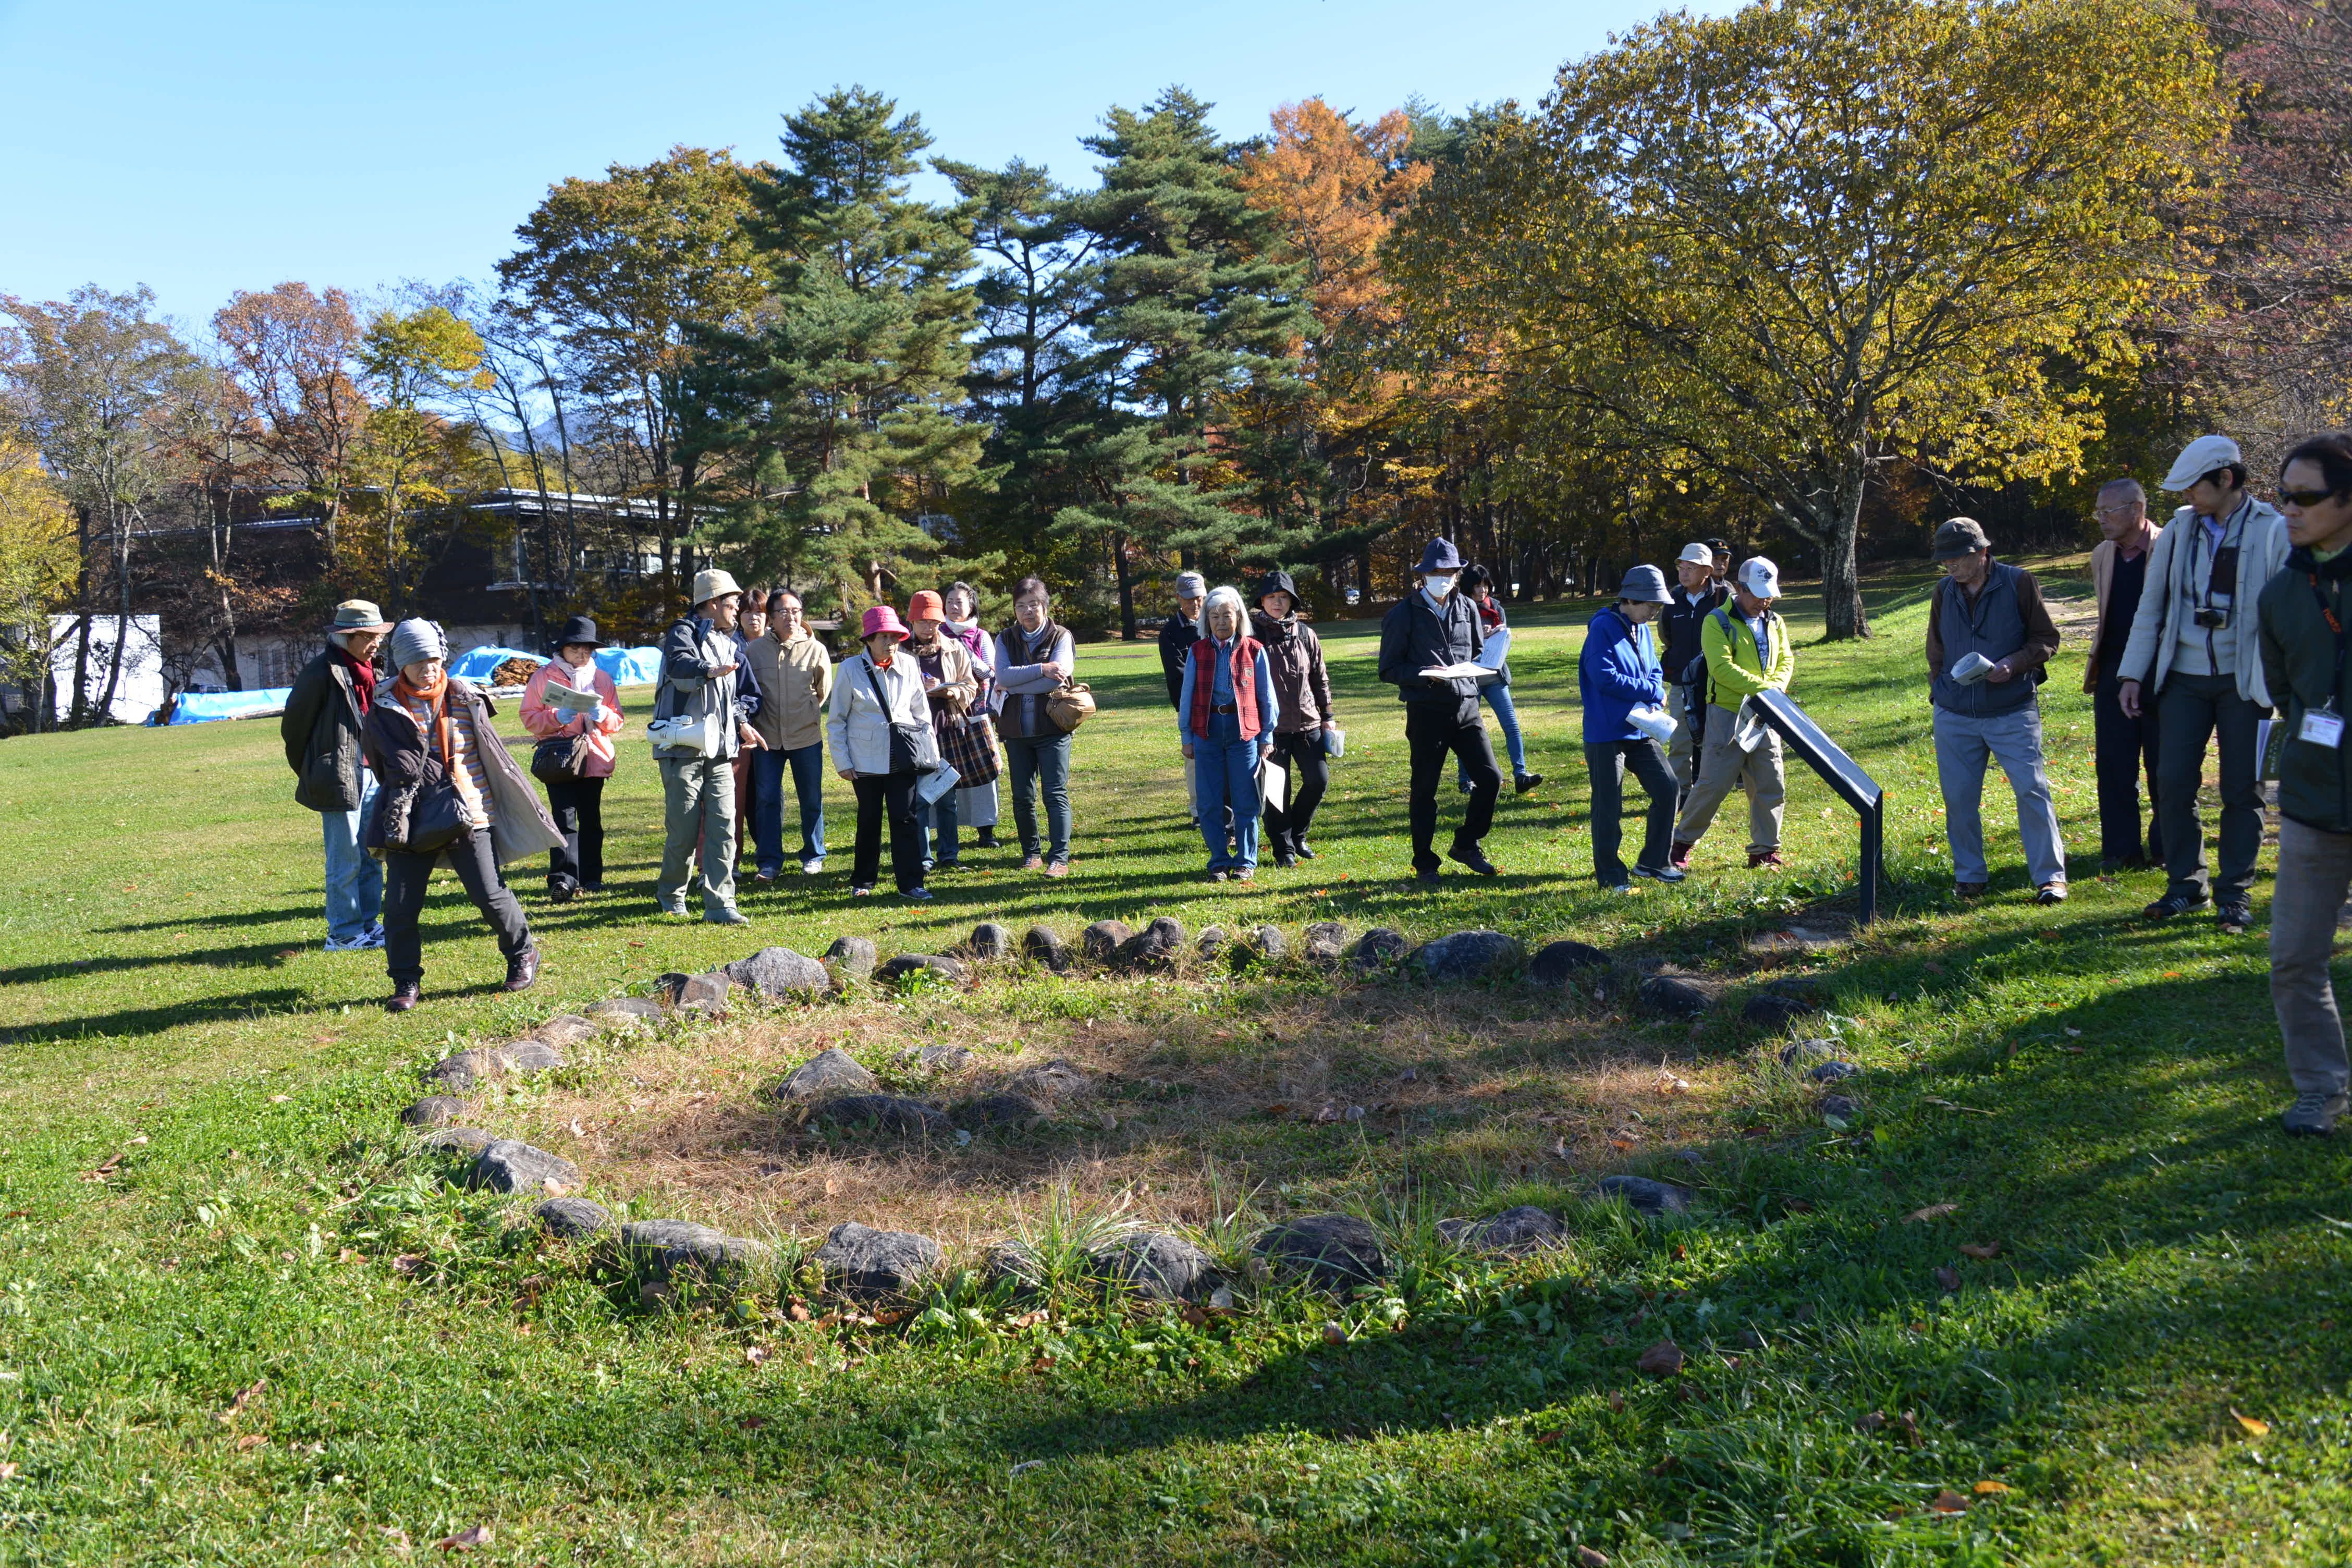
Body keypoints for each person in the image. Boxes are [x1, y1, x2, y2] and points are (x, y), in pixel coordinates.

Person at [2116, 434, 2290, 933]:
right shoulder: (2177, 530)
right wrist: (2133, 673)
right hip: (2183, 680)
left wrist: (2285, 685)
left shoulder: (2273, 531)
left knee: (2244, 789)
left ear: (2227, 480)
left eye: (2195, 486)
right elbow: (2152, 607)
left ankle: (2235, 894)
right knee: (2172, 782)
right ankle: (2186, 887)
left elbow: (2284, 614)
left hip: (2246, 683)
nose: (2187, 497)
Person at [364, 619, 561, 1012]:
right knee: (401, 906)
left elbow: (489, 751)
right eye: (419, 661)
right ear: (402, 663)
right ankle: (405, 980)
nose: (429, 668)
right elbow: (378, 762)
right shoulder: (384, 706)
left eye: (435, 659)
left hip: (473, 810)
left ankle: (523, 954)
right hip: (411, 816)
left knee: (489, 894)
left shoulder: (465, 696)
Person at [2257, 433, 2352, 1134]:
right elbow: (2284, 691)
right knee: (2293, 958)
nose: (2288, 509)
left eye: (2306, 497)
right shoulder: (2282, 592)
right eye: (2282, 495)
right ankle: (2321, 1087)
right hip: (2315, 802)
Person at [1924, 518, 2067, 903]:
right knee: (1958, 799)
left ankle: (2050, 878)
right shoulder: (1943, 591)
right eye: (1945, 560)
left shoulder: (2019, 583)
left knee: (2032, 791)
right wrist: (1939, 690)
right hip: (1955, 714)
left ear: (1983, 552)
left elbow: (2047, 639)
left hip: (2012, 710)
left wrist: (2015, 663)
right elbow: (1936, 648)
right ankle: (1970, 875)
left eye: (1957, 558)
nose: (1950, 566)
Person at [1377, 537, 1503, 881]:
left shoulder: (1467, 608)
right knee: (1425, 790)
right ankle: (1425, 862)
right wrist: (1424, 676)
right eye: (1436, 572)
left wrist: (1494, 654)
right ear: (1423, 575)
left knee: (1491, 779)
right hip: (1426, 712)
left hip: (1466, 708)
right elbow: (1388, 669)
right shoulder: (1402, 614)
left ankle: (1466, 844)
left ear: (1458, 574)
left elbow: (1477, 652)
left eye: (1449, 572)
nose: (1443, 577)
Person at [653, 568, 764, 925]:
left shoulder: (730, 643)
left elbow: (729, 696)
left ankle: (720, 905)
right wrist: (710, 669)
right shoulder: (681, 632)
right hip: (682, 747)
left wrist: (743, 724)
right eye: (732, 604)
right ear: (713, 603)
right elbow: (682, 669)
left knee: (723, 826)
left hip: (721, 751)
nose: (738, 610)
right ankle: (672, 896)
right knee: (684, 831)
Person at [281, 599, 391, 951]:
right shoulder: (319, 672)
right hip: (339, 778)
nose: (378, 643)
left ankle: (368, 924)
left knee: (371, 856)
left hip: (372, 774)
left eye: (379, 636)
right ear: (349, 637)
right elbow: (295, 730)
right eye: (371, 637)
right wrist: (318, 768)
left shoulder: (370, 670)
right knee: (344, 860)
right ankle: (343, 933)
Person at [1672, 556, 1794, 870]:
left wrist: (1774, 689)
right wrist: (1764, 689)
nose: (1764, 601)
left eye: (1769, 594)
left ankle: (1764, 850)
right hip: (1727, 713)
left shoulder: (1775, 621)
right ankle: (1680, 844)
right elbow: (1722, 669)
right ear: (1739, 589)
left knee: (1771, 781)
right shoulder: (1717, 621)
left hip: (1767, 714)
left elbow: (1786, 660)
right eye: (1757, 593)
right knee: (1713, 784)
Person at [1580, 566, 1684, 890]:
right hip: (1607, 732)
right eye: (1650, 604)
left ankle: (1653, 861)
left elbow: (1654, 668)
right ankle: (1610, 876)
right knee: (1609, 804)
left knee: (1668, 789)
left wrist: (1655, 688)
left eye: (1658, 605)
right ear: (1630, 598)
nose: (1655, 611)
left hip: (1641, 729)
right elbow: (1604, 676)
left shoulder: (1641, 629)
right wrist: (1648, 691)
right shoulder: (1603, 627)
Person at [827, 605, 936, 901]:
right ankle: (863, 880)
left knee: (907, 819)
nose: (890, 643)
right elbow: (837, 720)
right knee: (869, 820)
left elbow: (921, 713)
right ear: (869, 639)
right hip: (864, 760)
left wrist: (931, 754)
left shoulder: (910, 665)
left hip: (905, 756)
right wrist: (843, 761)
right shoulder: (849, 669)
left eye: (895, 637)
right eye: (883, 637)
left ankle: (911, 884)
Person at [2087, 479, 2163, 873]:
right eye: (2098, 512)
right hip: (2114, 672)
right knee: (2114, 765)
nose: (2101, 519)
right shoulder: (2102, 554)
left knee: (2164, 764)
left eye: (2108, 511)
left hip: (2164, 674)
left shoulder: (2169, 546)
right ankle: (2121, 850)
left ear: (2137, 509)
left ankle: (2166, 847)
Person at [1179, 586, 1281, 881]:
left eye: (1227, 615)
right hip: (1206, 732)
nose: (1221, 621)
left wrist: (1267, 736)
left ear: (1239, 617)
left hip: (1244, 733)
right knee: (1209, 802)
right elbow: (1187, 696)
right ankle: (1219, 862)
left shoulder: (1254, 650)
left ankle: (1246, 862)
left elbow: (1266, 696)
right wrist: (1187, 735)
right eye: (1214, 616)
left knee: (1246, 800)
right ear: (1206, 621)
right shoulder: (1197, 652)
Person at [519, 616, 624, 901]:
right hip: (559, 759)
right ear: (563, 648)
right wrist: (557, 717)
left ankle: (592, 878)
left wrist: (603, 716)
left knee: (591, 819)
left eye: (587, 650)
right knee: (563, 819)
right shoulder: (543, 677)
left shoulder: (602, 679)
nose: (581, 654)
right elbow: (529, 717)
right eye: (576, 648)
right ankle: (564, 879)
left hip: (593, 756)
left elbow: (618, 720)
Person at [743, 589, 833, 878]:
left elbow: (823, 691)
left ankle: (814, 855)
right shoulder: (754, 650)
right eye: (783, 611)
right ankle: (769, 861)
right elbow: (748, 690)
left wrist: (805, 711)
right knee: (767, 799)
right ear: (771, 617)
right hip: (766, 738)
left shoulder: (815, 648)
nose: (791, 617)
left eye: (796, 611)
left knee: (811, 797)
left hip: (805, 737)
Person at [995, 577, 1078, 876]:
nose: (1028, 611)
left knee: (1054, 793)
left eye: (1033, 605)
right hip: (1016, 731)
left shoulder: (1061, 636)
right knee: (1022, 795)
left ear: (1044, 606)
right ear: (1014, 610)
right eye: (1021, 606)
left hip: (1053, 728)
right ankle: (1031, 853)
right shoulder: (1005, 638)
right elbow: (1001, 677)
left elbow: (1059, 677)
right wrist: (1041, 669)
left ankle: (1060, 858)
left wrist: (1014, 683)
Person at [1251, 570, 1334, 867]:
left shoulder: (1306, 633)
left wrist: (1328, 716)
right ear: (1262, 600)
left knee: (1318, 782)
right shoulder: (1253, 636)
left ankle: (1298, 833)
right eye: (1272, 597)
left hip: (1308, 722)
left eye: (1283, 597)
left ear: (1291, 600)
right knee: (1277, 791)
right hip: (1271, 728)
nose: (1277, 602)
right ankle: (1283, 848)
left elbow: (1319, 678)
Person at [903, 590, 980, 871]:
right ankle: (923, 857)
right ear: (912, 621)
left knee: (947, 799)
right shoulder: (899, 650)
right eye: (923, 621)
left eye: (934, 622)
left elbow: (971, 686)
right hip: (913, 734)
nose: (928, 627)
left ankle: (949, 855)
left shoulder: (954, 648)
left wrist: (950, 693)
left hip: (947, 729)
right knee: (919, 799)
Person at [1456, 564, 1541, 795]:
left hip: (1495, 676)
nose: (1482, 590)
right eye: (1477, 585)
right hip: (1469, 679)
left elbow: (1502, 644)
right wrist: (1480, 637)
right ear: (1468, 586)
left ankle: (1521, 776)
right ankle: (1466, 781)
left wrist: (1502, 635)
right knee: (1466, 732)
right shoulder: (1459, 607)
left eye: (1485, 585)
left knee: (1512, 726)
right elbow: (1456, 644)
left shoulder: (1497, 608)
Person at [1660, 543, 1730, 802]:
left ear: (1707, 571)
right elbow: (1666, 635)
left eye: (1691, 568)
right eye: (1682, 567)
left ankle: (1711, 789)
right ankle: (1681, 792)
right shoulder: (1672, 599)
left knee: (1715, 738)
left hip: (1715, 682)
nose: (1684, 573)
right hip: (1680, 680)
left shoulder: (1724, 598)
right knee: (1679, 740)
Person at [940, 582, 1001, 849]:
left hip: (976, 711)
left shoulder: (980, 636)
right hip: (943, 713)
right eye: (950, 601)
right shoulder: (934, 633)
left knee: (982, 767)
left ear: (971, 606)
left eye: (960, 602)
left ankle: (986, 831)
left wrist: (965, 653)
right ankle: (944, 831)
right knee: (945, 770)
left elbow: (990, 672)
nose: (954, 607)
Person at [1159, 569, 1208, 828]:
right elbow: (1177, 676)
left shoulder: (1215, 622)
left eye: (1200, 597)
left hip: (1224, 706)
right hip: (1192, 707)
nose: (1195, 603)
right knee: (1195, 760)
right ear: (1178, 598)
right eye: (1189, 598)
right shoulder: (1170, 632)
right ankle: (1198, 811)